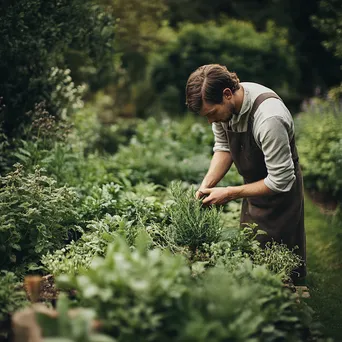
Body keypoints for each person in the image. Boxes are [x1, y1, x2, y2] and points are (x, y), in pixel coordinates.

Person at [185, 64, 306, 282]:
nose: (211, 121)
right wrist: (207, 185)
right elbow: (223, 148)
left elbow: (280, 180)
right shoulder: (225, 110)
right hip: (253, 189)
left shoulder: (269, 119)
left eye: (212, 113)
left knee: (281, 265)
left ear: (227, 94)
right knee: (251, 253)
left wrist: (230, 192)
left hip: (281, 194)